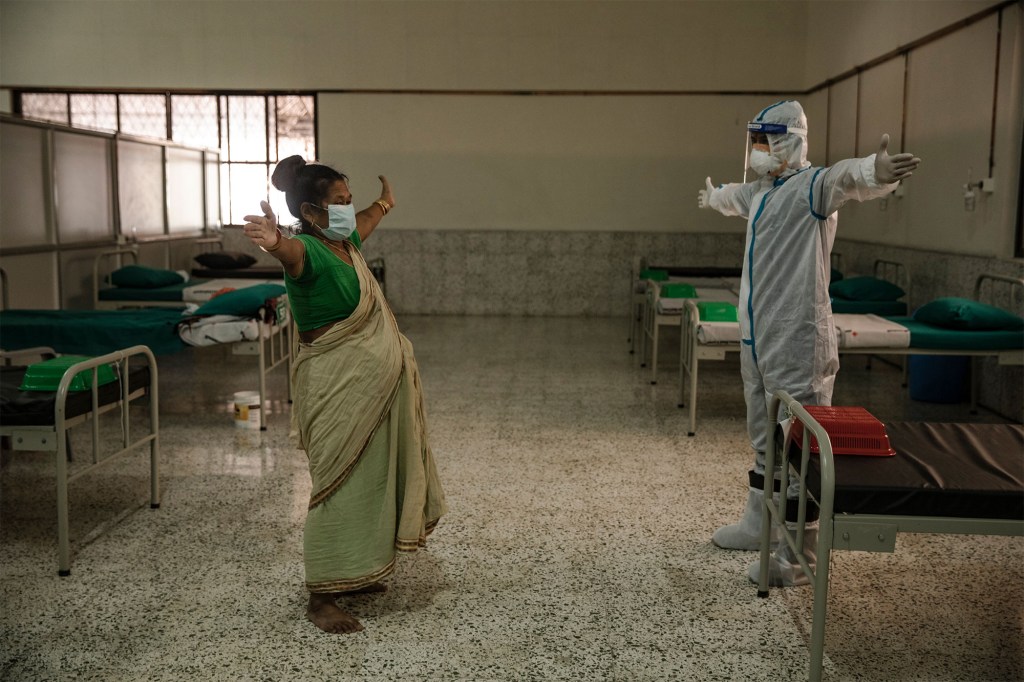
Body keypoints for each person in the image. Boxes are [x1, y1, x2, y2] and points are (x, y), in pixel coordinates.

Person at [697, 100, 921, 586]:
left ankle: (797, 560)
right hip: (757, 337)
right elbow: (736, 196)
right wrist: (715, 197)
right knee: (764, 436)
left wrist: (876, 171)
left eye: (767, 140)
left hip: (798, 338)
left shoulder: (811, 187)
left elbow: (848, 178)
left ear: (791, 142)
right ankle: (757, 522)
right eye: (755, 141)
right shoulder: (762, 192)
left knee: (801, 448)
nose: (759, 150)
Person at [243, 155, 447, 633]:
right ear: (311, 212)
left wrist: (383, 203)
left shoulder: (346, 242)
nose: (347, 210)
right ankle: (321, 595)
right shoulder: (308, 251)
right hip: (336, 388)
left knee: (370, 478)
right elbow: (288, 256)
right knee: (336, 484)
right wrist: (275, 242)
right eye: (338, 203)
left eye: (349, 201)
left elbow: (365, 223)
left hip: (375, 388)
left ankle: (356, 569)